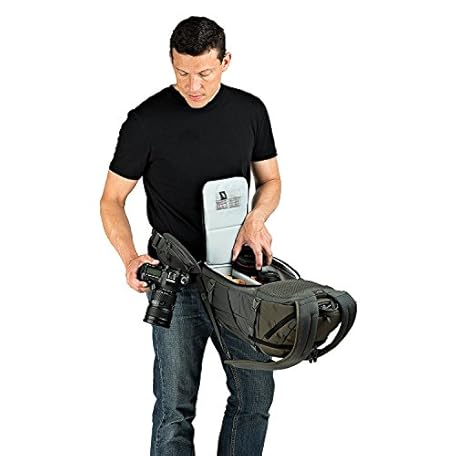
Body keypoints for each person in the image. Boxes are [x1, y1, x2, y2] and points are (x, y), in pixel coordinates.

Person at [100, 16, 281, 456]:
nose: (193, 85)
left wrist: (257, 217)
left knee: (255, 396)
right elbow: (111, 200)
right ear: (171, 61)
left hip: (237, 280)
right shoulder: (145, 121)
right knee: (174, 411)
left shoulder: (250, 111)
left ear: (226, 61)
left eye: (205, 72)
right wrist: (130, 257)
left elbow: (271, 180)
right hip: (175, 282)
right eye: (182, 72)